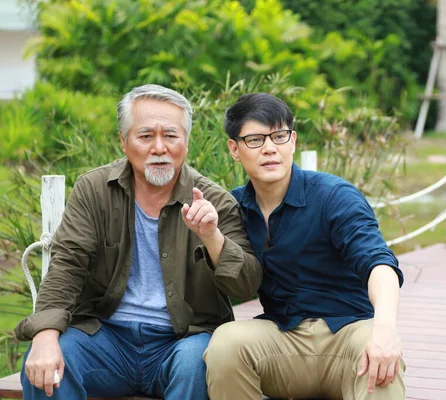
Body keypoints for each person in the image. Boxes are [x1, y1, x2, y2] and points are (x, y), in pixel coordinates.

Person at [15, 84, 262, 400]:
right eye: (145, 136)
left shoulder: (215, 201)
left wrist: (212, 236)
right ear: (124, 141)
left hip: (183, 341)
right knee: (44, 366)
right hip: (105, 340)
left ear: (186, 141)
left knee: (198, 364)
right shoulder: (94, 189)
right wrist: (46, 335)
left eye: (170, 136)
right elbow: (67, 266)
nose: (159, 147)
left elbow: (247, 285)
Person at [204, 93, 406, 399]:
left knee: (378, 360)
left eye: (279, 136)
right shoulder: (234, 208)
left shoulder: (333, 195)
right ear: (234, 148)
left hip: (348, 334)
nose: (270, 148)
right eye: (256, 139)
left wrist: (385, 329)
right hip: (283, 340)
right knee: (226, 343)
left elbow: (379, 263)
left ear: (293, 140)